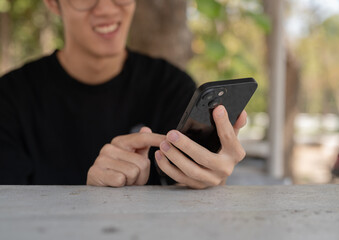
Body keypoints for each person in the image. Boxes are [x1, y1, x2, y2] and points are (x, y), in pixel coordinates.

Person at [0, 0, 247, 189]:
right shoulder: (9, 98)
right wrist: (88, 199)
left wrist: (208, 177)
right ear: (53, 3)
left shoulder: (171, 86)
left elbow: (186, 205)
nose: (107, 8)